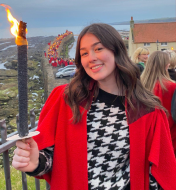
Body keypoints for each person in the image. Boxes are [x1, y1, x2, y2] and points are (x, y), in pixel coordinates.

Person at [12, 24, 176, 190]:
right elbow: (49, 156)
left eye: (98, 49)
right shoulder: (67, 99)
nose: (90, 58)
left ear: (116, 51)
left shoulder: (147, 110)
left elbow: (159, 173)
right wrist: (36, 162)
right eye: (84, 53)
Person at [141, 51, 176, 155]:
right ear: (166, 65)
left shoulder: (140, 85)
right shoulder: (171, 86)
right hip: (170, 133)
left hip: (148, 132)